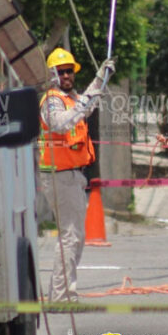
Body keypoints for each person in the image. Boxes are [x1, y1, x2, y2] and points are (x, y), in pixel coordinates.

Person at [40, 47, 115, 302]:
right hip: (60, 175)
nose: (67, 76)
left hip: (72, 175)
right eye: (61, 72)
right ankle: (61, 296)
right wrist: (84, 100)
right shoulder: (52, 100)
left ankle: (63, 293)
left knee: (75, 236)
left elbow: (88, 104)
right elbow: (60, 123)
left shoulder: (72, 99)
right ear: (52, 75)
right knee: (70, 236)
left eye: (70, 71)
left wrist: (101, 77)